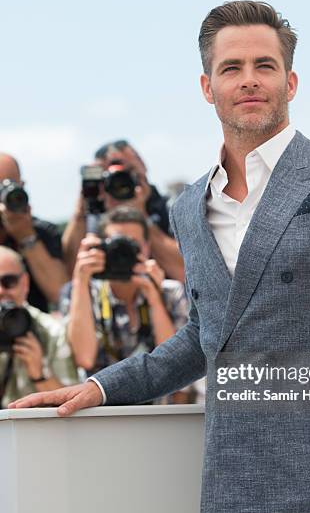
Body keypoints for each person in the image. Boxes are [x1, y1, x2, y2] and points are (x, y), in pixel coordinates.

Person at [9, 1, 310, 513]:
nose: (248, 79)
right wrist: (99, 387)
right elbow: (205, 335)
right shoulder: (188, 206)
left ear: (290, 80)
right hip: (236, 487)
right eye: (231, 68)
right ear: (207, 86)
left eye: (264, 65)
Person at [59, 206, 191, 402]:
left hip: (157, 414)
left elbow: (175, 365)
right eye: (116, 245)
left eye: (131, 245)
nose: (123, 254)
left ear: (147, 247)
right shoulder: (81, 292)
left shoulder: (171, 292)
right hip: (101, 413)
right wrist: (81, 279)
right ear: (101, 248)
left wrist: (154, 298)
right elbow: (84, 357)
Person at [61, 141, 184, 282]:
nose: (119, 182)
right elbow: (69, 274)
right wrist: (84, 203)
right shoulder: (93, 215)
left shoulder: (173, 208)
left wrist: (141, 217)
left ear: (142, 167)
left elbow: (185, 271)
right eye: (110, 176)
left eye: (128, 172)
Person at [0, 246, 78, 408]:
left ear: (25, 283)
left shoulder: (52, 331)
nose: (1, 291)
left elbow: (72, 408)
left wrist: (40, 374)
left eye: (9, 282)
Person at [0, 153, 69, 311]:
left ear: (21, 186)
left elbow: (62, 295)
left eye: (6, 187)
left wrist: (26, 236)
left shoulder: (42, 233)